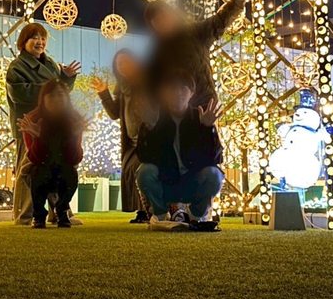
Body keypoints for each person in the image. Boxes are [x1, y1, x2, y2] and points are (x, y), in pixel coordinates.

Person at [6, 23, 81, 224]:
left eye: (42, 38)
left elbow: (62, 93)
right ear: (24, 42)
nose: (39, 42)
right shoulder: (17, 66)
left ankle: (57, 212)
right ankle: (25, 215)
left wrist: (67, 78)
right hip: (29, 126)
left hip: (54, 127)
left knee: (56, 165)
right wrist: (50, 88)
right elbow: (20, 93)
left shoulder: (51, 64)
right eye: (34, 38)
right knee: (29, 167)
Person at [144, 0, 252, 108]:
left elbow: (221, 20)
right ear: (154, 26)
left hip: (206, 105)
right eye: (157, 21)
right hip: (178, 112)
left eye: (164, 16)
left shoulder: (194, 33)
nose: (163, 22)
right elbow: (152, 87)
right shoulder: (158, 54)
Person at [136, 70, 224, 232]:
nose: (177, 93)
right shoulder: (155, 117)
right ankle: (161, 215)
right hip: (166, 183)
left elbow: (216, 158)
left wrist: (207, 128)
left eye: (183, 88)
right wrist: (149, 129)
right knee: (144, 172)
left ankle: (197, 216)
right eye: (172, 89)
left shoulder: (199, 117)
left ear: (191, 92)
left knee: (215, 174)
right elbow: (143, 156)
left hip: (192, 183)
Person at [91, 49, 150, 224]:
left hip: (150, 140)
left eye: (126, 62)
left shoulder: (147, 82)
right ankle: (142, 210)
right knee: (131, 171)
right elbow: (115, 113)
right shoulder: (122, 88)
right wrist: (104, 92)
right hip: (132, 141)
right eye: (119, 64)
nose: (123, 66)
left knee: (141, 170)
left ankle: (151, 210)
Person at [18, 80, 86, 228]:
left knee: (71, 175)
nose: (56, 99)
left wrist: (74, 136)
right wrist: (38, 136)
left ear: (67, 98)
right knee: (38, 173)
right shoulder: (33, 120)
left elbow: (75, 158)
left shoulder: (74, 120)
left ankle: (62, 210)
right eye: (51, 95)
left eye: (60, 95)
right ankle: (39, 215)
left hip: (64, 168)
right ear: (43, 99)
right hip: (40, 168)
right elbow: (35, 158)